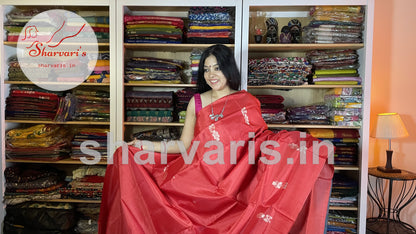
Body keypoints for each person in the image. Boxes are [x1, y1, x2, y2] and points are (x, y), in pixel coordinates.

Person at [98, 44, 334, 234]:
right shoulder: (197, 101)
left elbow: (262, 141)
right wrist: (142, 145)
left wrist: (298, 148)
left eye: (217, 68)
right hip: (197, 182)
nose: (212, 74)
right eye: (207, 69)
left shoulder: (247, 101)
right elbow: (184, 145)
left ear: (228, 69)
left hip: (235, 185)